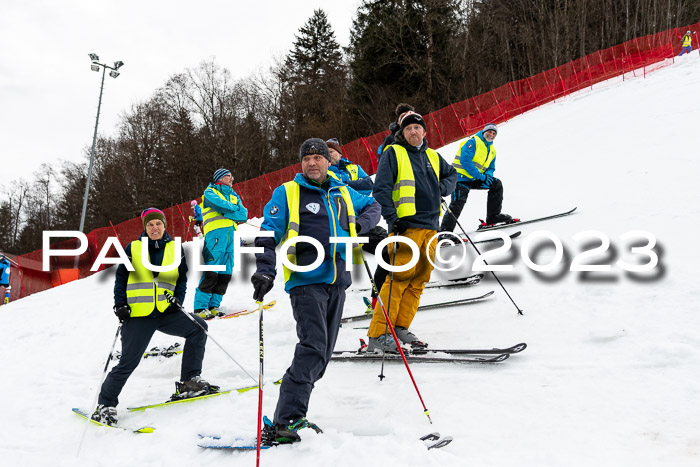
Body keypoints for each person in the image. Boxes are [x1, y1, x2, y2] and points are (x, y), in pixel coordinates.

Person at [252, 138, 380, 443]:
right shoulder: (288, 192)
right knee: (312, 347)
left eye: (318, 157)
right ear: (301, 163)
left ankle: (293, 414)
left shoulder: (342, 191)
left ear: (328, 161)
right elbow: (268, 234)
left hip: (337, 280)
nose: (313, 162)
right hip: (306, 280)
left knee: (322, 354)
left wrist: (362, 227)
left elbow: (372, 205)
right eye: (307, 158)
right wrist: (265, 269)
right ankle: (285, 420)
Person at [92, 208, 217, 426]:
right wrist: (119, 304)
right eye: (150, 225)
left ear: (164, 225)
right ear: (145, 228)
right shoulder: (133, 248)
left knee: (198, 328)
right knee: (128, 362)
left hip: (166, 312)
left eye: (158, 223)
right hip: (138, 315)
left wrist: (178, 299)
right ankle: (105, 404)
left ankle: (189, 380)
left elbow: (181, 278)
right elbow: (121, 278)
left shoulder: (175, 249)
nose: (154, 228)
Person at [369, 111, 457, 352]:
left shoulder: (433, 156)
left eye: (417, 128)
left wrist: (442, 187)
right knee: (398, 280)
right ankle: (379, 333)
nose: (413, 132)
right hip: (405, 227)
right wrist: (392, 218)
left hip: (431, 227)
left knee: (418, 281)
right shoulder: (393, 153)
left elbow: (452, 174)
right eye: (408, 129)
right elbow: (381, 189)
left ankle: (399, 326)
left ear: (424, 132)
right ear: (402, 133)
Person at [193, 168, 248, 319]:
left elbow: (244, 214)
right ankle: (200, 307)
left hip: (231, 238)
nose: (232, 179)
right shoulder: (210, 192)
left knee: (225, 274)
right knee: (212, 271)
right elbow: (219, 205)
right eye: (229, 176)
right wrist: (230, 210)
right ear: (220, 178)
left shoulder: (234, 195)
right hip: (215, 236)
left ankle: (213, 305)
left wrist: (227, 210)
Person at [439, 123, 513, 235]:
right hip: (460, 178)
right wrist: (480, 176)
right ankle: (445, 232)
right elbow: (465, 161)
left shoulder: (492, 150)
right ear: (484, 132)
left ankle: (493, 217)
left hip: (474, 179)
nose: (491, 135)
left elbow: (490, 167)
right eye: (489, 132)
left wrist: (488, 176)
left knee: (496, 184)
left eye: (494, 133)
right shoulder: (473, 142)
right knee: (457, 204)